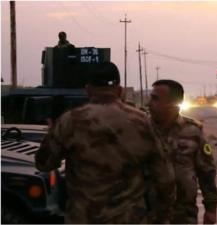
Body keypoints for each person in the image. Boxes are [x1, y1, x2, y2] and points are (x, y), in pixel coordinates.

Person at [35, 62, 176, 224]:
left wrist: (52, 133)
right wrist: (162, 216)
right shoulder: (143, 122)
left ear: (88, 90)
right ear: (119, 90)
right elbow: (165, 178)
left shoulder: (70, 121)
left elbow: (43, 164)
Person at [147, 79, 217, 224]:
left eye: (155, 99)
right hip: (147, 214)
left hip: (183, 214)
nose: (149, 103)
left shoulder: (193, 131)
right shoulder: (141, 130)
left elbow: (207, 172)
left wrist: (211, 209)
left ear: (173, 104)